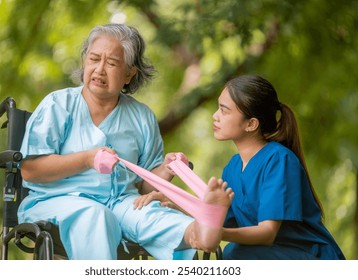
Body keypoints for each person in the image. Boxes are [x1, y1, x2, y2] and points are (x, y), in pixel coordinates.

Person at [17, 23, 233, 260]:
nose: (99, 69)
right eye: (94, 59)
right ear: (85, 61)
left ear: (130, 73)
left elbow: (143, 188)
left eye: (111, 63)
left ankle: (201, 233)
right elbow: (30, 170)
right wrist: (87, 159)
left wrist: (166, 170)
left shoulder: (142, 117)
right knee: (96, 215)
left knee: (152, 213)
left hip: (122, 201)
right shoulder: (58, 105)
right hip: (57, 201)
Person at [212, 74, 345, 259]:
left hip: (306, 258)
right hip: (267, 256)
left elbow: (267, 233)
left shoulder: (279, 160)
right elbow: (216, 217)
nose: (215, 116)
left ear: (251, 124)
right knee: (232, 253)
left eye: (223, 111)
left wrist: (217, 234)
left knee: (233, 254)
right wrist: (175, 203)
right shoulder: (232, 168)